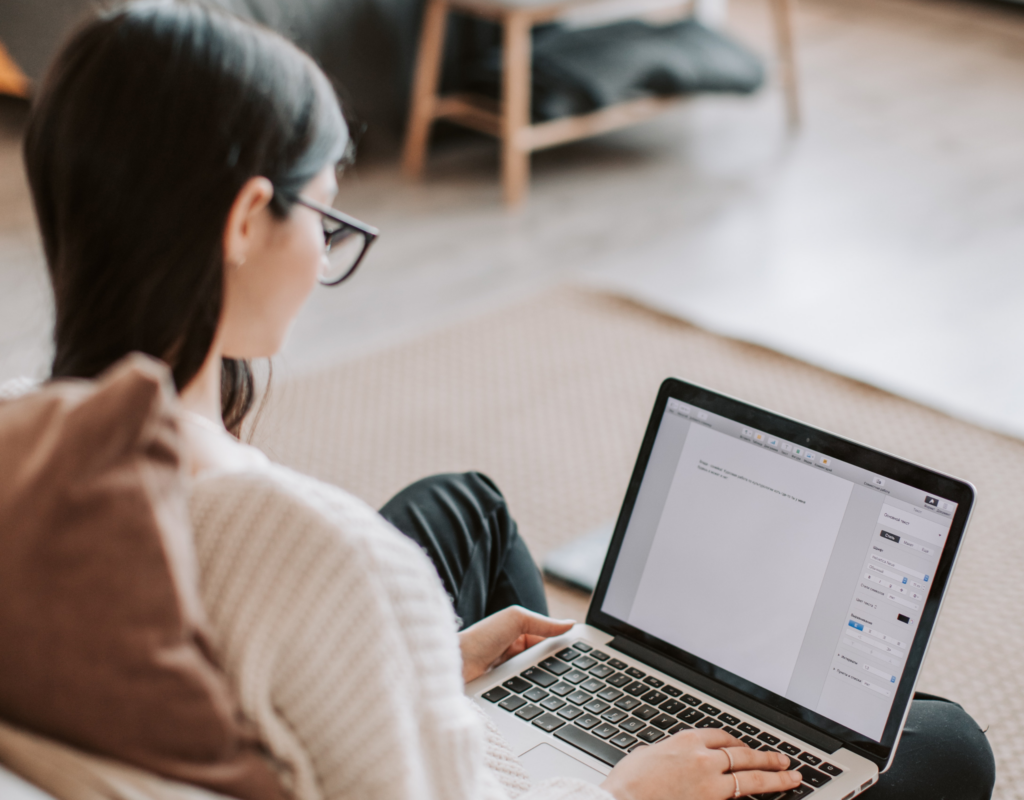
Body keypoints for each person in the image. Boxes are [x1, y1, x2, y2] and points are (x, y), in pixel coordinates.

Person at [21, 3, 995, 800]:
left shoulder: (24, 440)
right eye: (324, 214)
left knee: (468, 506)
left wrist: (433, 670)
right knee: (942, 742)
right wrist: (623, 788)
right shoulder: (331, 564)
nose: (326, 247)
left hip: (357, 704)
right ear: (244, 220)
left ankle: (568, 704)